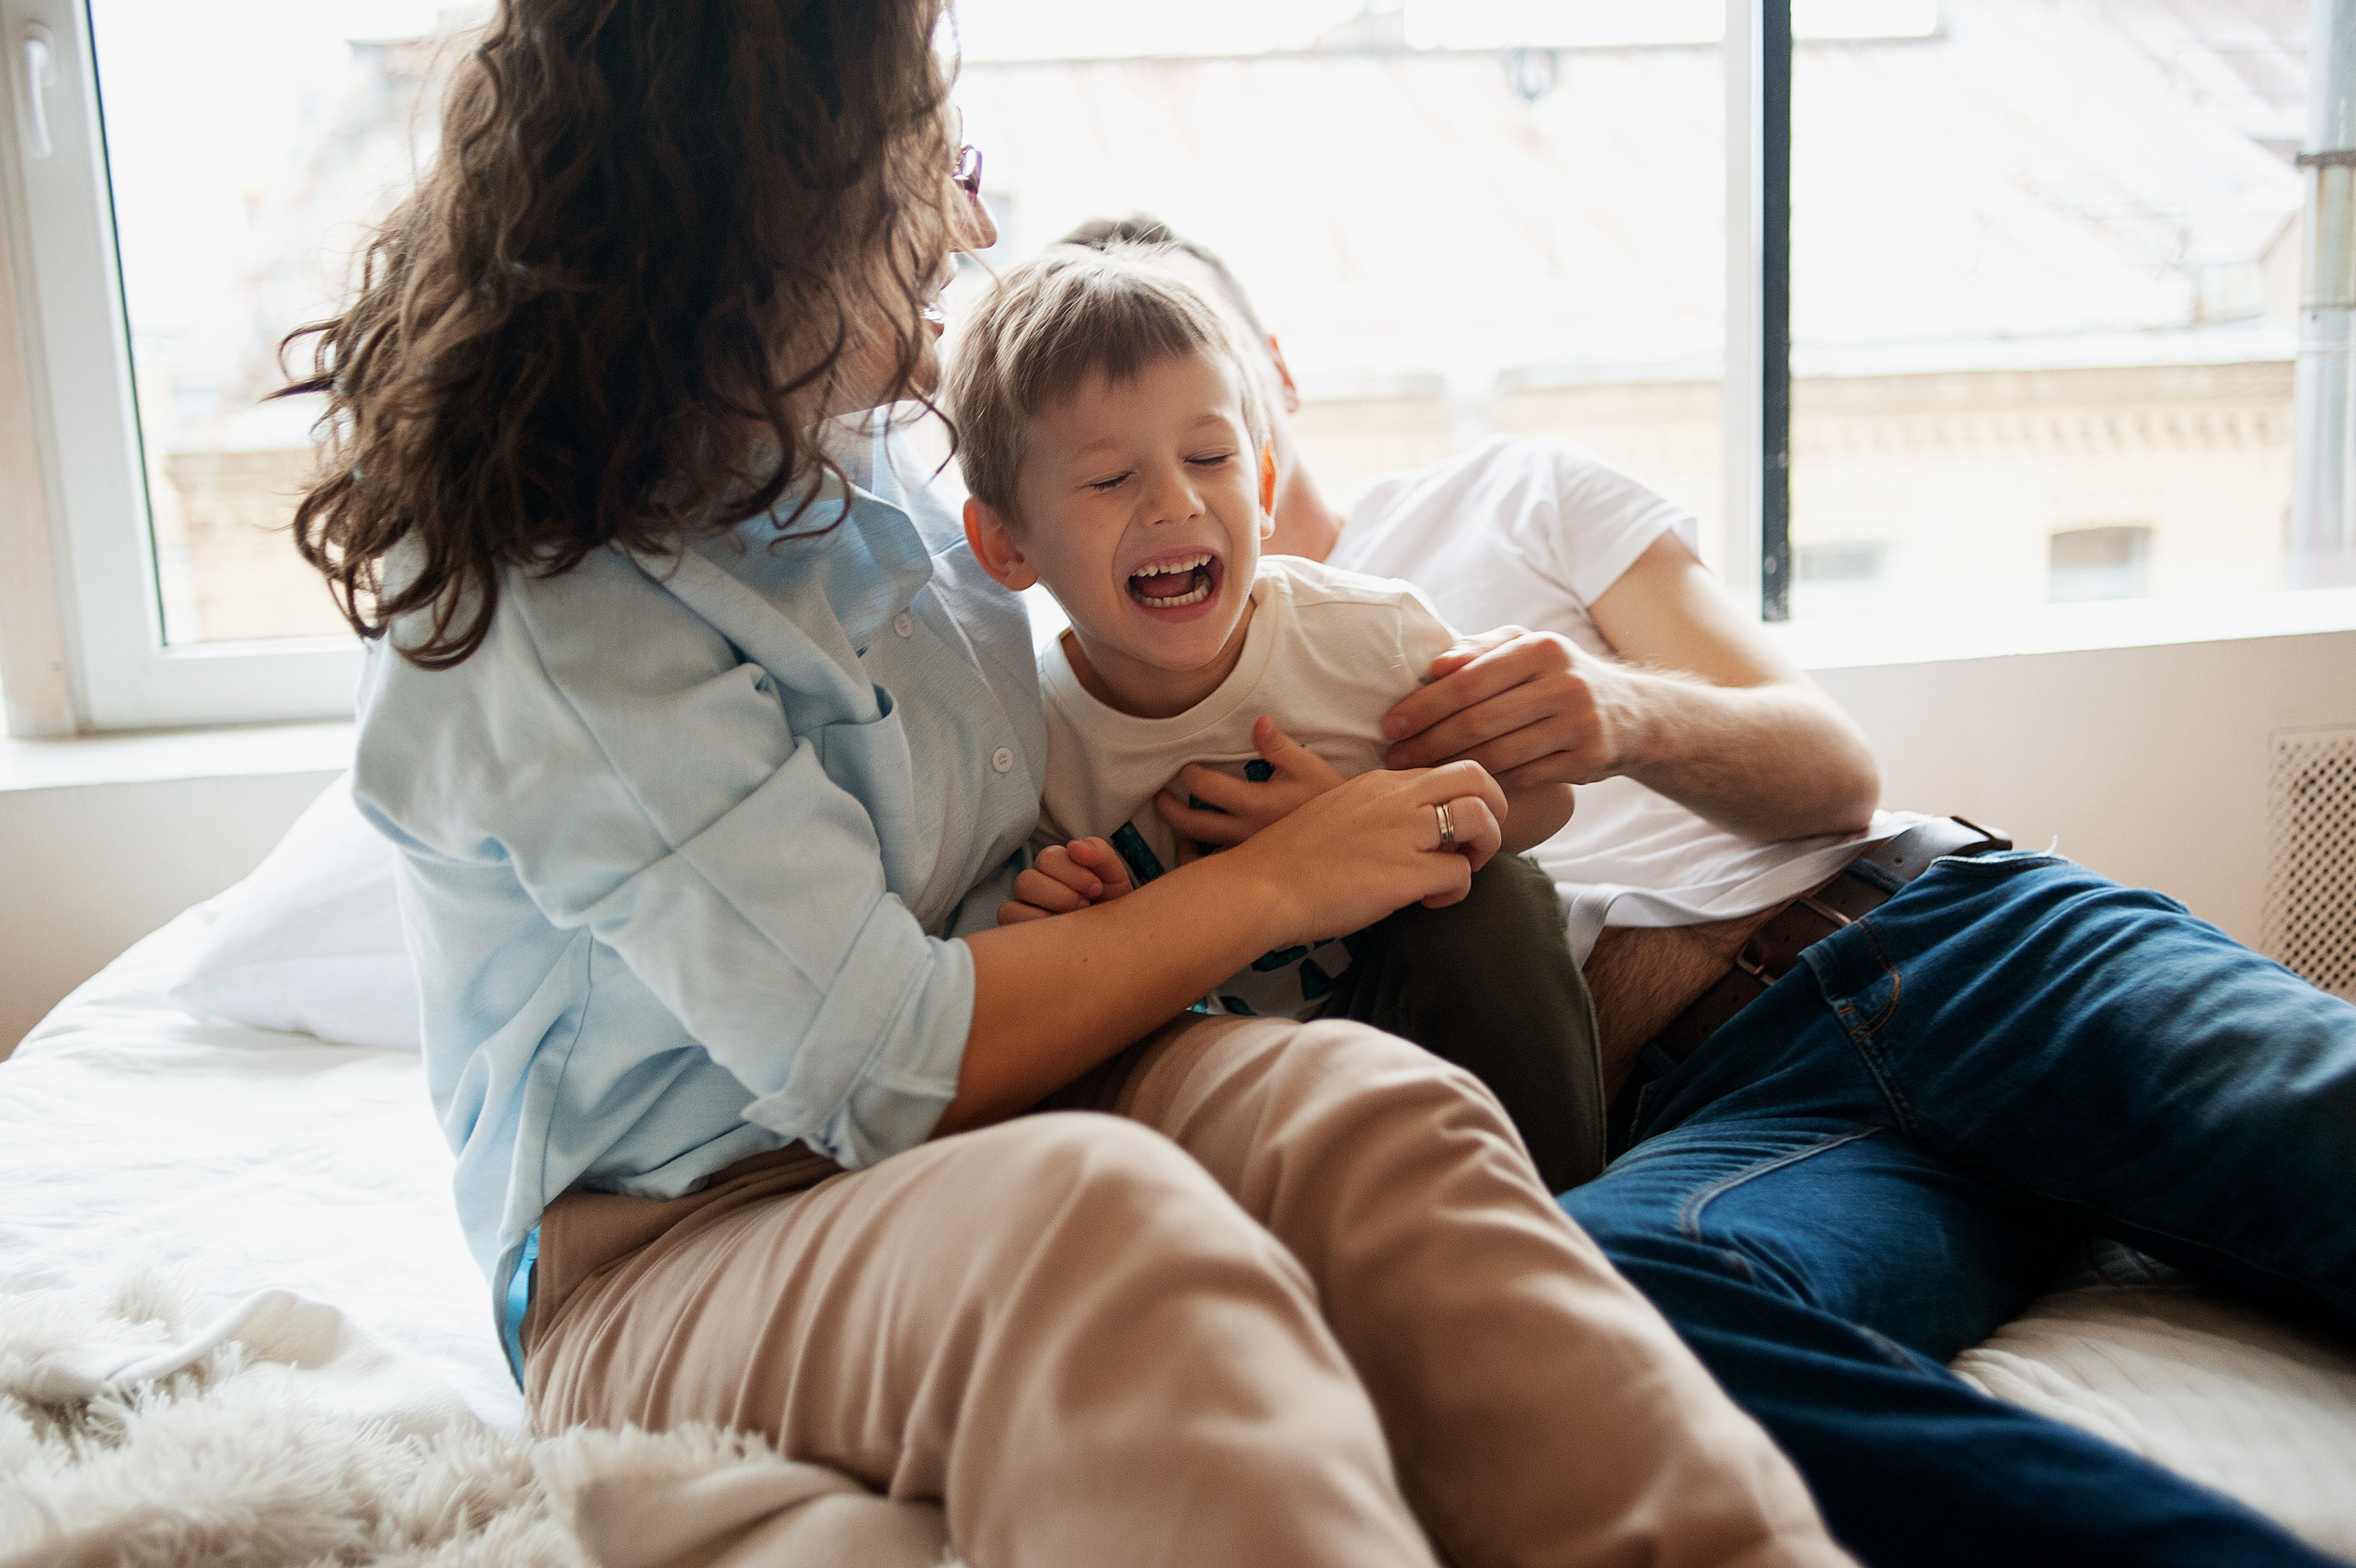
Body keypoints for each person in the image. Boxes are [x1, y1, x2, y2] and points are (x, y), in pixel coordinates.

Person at [283, 6, 1854, 1566]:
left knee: (1379, 1114)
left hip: (1030, 1086)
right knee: (1096, 1227)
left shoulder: (874, 451)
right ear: (758, 220)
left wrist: (1097, 873)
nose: (970, 219)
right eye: (920, 172)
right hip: (682, 1228)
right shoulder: (552, 609)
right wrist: (1290, 871)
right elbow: (887, 1053)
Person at [1061, 215, 2356, 1568]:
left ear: (1269, 380)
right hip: (1722, 1113)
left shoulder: (1517, 496)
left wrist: (1625, 714)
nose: (1171, 491)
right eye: (1105, 465)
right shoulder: (1132, 711)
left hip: (1948, 938)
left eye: (1200, 422)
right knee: (1613, 1339)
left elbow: (1838, 772)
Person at [947, 243, 1607, 1190]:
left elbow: (1543, 804)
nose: (1174, 500)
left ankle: (1568, 1212)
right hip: (1214, 1085)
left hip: (1412, 1015)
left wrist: (1368, 821)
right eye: (1108, 480)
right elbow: (1046, 981)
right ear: (1006, 544)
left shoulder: (1364, 638)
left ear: (1258, 489)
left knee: (1493, 898)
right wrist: (1064, 919)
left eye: (1207, 458)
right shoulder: (1024, 738)